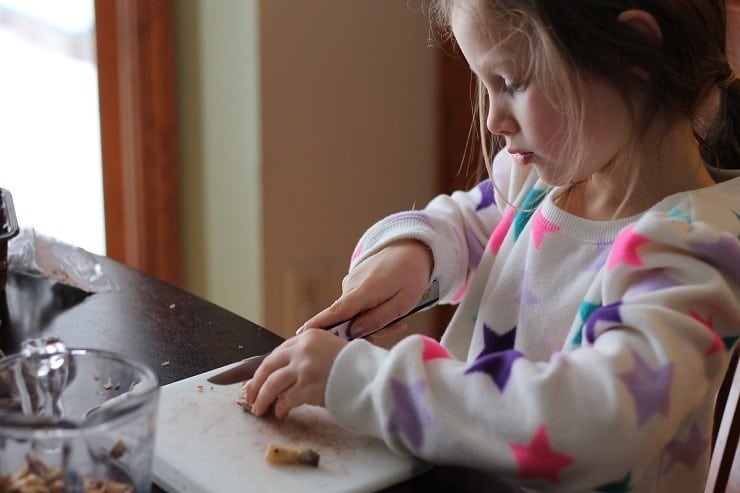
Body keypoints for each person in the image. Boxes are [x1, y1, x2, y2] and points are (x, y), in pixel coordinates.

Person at [247, 1, 740, 491]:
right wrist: (413, 254)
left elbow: (598, 422)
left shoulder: (694, 252)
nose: (492, 120)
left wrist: (366, 382)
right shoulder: (541, 182)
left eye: (511, 82)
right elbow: (463, 223)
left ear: (634, 58)